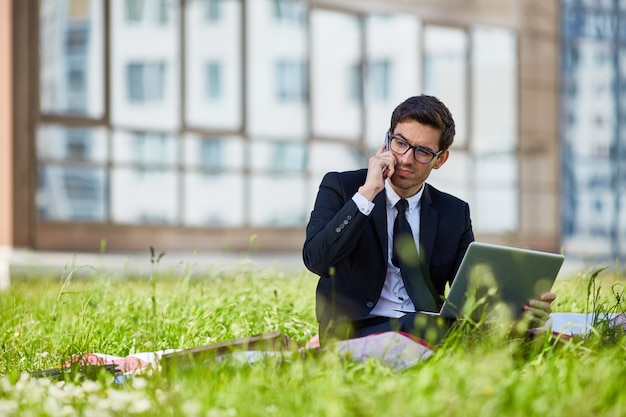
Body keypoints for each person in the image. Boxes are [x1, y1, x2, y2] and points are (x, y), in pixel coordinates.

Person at [302, 94, 556, 345]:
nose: (406, 159)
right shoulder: (342, 186)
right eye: (400, 143)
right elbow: (317, 260)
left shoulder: (454, 212)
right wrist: (367, 194)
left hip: (429, 326)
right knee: (421, 325)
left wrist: (521, 311)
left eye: (423, 151)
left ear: (440, 159)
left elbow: (470, 293)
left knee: (513, 335)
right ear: (388, 139)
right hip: (353, 329)